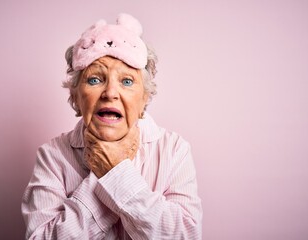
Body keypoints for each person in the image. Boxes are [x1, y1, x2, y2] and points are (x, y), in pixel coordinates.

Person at [21, 13, 202, 239]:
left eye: (127, 81)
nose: (110, 93)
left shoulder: (174, 150)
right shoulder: (52, 156)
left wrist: (116, 172)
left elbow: (185, 235)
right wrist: (106, 174)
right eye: (95, 79)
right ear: (76, 96)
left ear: (145, 97)